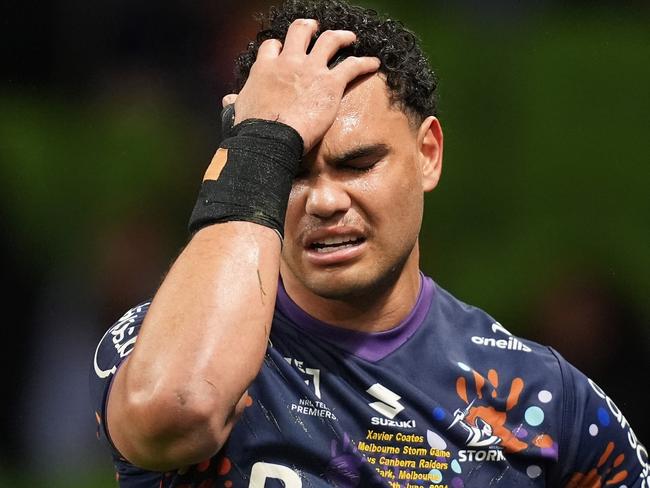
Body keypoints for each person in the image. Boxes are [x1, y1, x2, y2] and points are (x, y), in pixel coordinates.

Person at [90, 0, 648, 486]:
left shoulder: (541, 398)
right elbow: (176, 412)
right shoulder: (154, 347)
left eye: (358, 164)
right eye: (292, 171)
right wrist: (261, 146)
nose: (325, 201)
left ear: (428, 154)